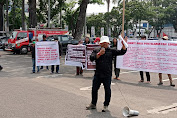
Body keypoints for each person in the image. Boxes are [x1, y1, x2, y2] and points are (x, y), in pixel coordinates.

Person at [86, 36, 127, 112]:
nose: (105, 45)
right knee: (94, 89)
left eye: (106, 43)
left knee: (107, 90)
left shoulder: (111, 51)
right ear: (100, 44)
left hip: (107, 74)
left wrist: (124, 46)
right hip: (98, 74)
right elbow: (92, 58)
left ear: (108, 43)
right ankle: (93, 104)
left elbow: (121, 52)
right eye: (103, 43)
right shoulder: (96, 50)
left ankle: (106, 105)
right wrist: (99, 54)